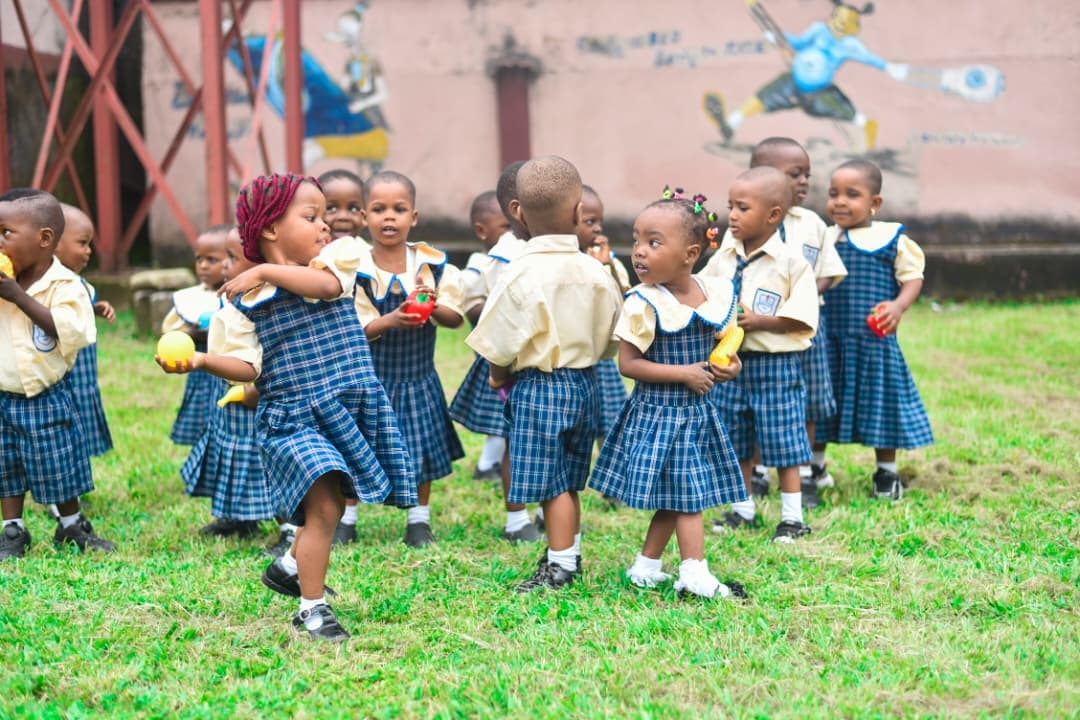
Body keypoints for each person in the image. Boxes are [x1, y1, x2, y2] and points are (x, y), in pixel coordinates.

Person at [157, 173, 415, 641]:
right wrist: (198, 359)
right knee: (321, 514)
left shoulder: (335, 257)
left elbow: (326, 288)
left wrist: (263, 271)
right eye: (311, 216)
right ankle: (311, 610)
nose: (325, 225)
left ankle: (290, 565)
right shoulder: (243, 305)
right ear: (271, 230)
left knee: (338, 503)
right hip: (294, 419)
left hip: (347, 404)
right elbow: (245, 366)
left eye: (323, 217)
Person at [468, 155, 622, 592]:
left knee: (551, 484)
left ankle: (560, 568)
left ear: (515, 213)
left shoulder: (518, 274)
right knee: (569, 479)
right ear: (578, 212)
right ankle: (566, 554)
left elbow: (496, 341)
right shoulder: (596, 271)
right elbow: (613, 337)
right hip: (587, 384)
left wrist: (498, 377)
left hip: (539, 387)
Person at [589, 191, 747, 598]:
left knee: (677, 493)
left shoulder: (712, 293)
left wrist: (731, 368)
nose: (639, 252)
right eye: (637, 240)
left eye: (654, 243)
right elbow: (629, 364)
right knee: (689, 494)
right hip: (659, 414)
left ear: (690, 253)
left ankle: (645, 566)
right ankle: (694, 575)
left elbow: (723, 346)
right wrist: (683, 375)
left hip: (696, 413)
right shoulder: (644, 302)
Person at [701, 167, 819, 543]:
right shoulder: (724, 258)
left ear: (773, 215)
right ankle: (743, 508)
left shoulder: (792, 263)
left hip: (776, 366)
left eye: (743, 208)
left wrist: (762, 321)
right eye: (730, 206)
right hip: (731, 365)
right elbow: (701, 291)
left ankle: (792, 517)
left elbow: (802, 316)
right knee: (736, 437)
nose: (732, 215)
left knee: (784, 441)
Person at [352, 170, 466, 548]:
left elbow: (454, 318)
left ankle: (419, 520)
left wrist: (430, 304)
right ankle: (347, 517)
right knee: (355, 446)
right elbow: (358, 329)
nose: (389, 217)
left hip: (418, 379)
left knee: (418, 448)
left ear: (413, 217)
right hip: (371, 379)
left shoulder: (432, 266)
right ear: (363, 217)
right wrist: (392, 319)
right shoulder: (357, 272)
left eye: (399, 209)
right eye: (378, 209)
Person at [0, 189, 114, 560]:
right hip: (3, 393)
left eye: (5, 233)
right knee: (7, 467)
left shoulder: (66, 285)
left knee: (58, 462)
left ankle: (71, 525)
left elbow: (70, 330)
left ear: (44, 239)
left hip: (46, 395)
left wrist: (17, 296)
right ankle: (13, 529)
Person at [817, 159, 933, 499]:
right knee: (821, 404)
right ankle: (815, 467)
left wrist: (898, 306)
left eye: (852, 195)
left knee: (880, 405)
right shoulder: (825, 238)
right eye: (833, 194)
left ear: (874, 203)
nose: (840, 202)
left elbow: (912, 278)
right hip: (828, 340)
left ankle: (886, 474)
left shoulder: (892, 239)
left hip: (873, 342)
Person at [745, 138, 847, 507]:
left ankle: (804, 475)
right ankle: (755, 470)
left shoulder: (813, 224)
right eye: (794, 174)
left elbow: (829, 273)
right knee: (756, 399)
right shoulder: (746, 224)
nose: (804, 181)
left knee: (808, 401)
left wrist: (799, 297)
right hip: (758, 335)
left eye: (807, 174)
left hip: (805, 331)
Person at [179, 227, 275, 539]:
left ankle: (289, 527)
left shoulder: (269, 306)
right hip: (230, 395)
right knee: (230, 452)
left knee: (263, 461)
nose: (223, 266)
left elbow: (275, 360)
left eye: (232, 258)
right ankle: (236, 517)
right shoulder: (232, 299)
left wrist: (256, 391)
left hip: (259, 398)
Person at [450, 190, 513, 481]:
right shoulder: (479, 264)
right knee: (499, 415)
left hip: (512, 351)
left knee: (506, 415)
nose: (513, 234)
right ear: (481, 231)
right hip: (492, 355)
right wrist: (502, 304)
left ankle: (491, 463)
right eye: (505, 227)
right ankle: (488, 464)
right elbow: (470, 307)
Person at [55, 204, 115, 459]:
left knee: (80, 428)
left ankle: (76, 486)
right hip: (64, 379)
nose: (89, 251)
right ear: (54, 243)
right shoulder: (50, 284)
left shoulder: (78, 284)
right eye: (82, 243)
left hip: (83, 377)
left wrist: (93, 309)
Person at [576, 185, 631, 454]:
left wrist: (607, 266)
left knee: (612, 423)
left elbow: (626, 299)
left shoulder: (610, 262)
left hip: (603, 357)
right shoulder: (567, 264)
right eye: (589, 222)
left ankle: (613, 484)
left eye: (600, 221)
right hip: (575, 358)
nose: (598, 229)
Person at [162, 226, 230, 446]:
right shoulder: (192, 297)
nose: (202, 265)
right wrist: (192, 333)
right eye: (199, 259)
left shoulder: (238, 296)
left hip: (227, 367)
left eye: (211, 260)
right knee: (201, 411)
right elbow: (172, 331)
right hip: (199, 369)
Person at [318, 168, 368, 244]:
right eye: (332, 208)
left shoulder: (368, 254)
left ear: (365, 217)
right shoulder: (310, 254)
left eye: (353, 209)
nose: (343, 217)